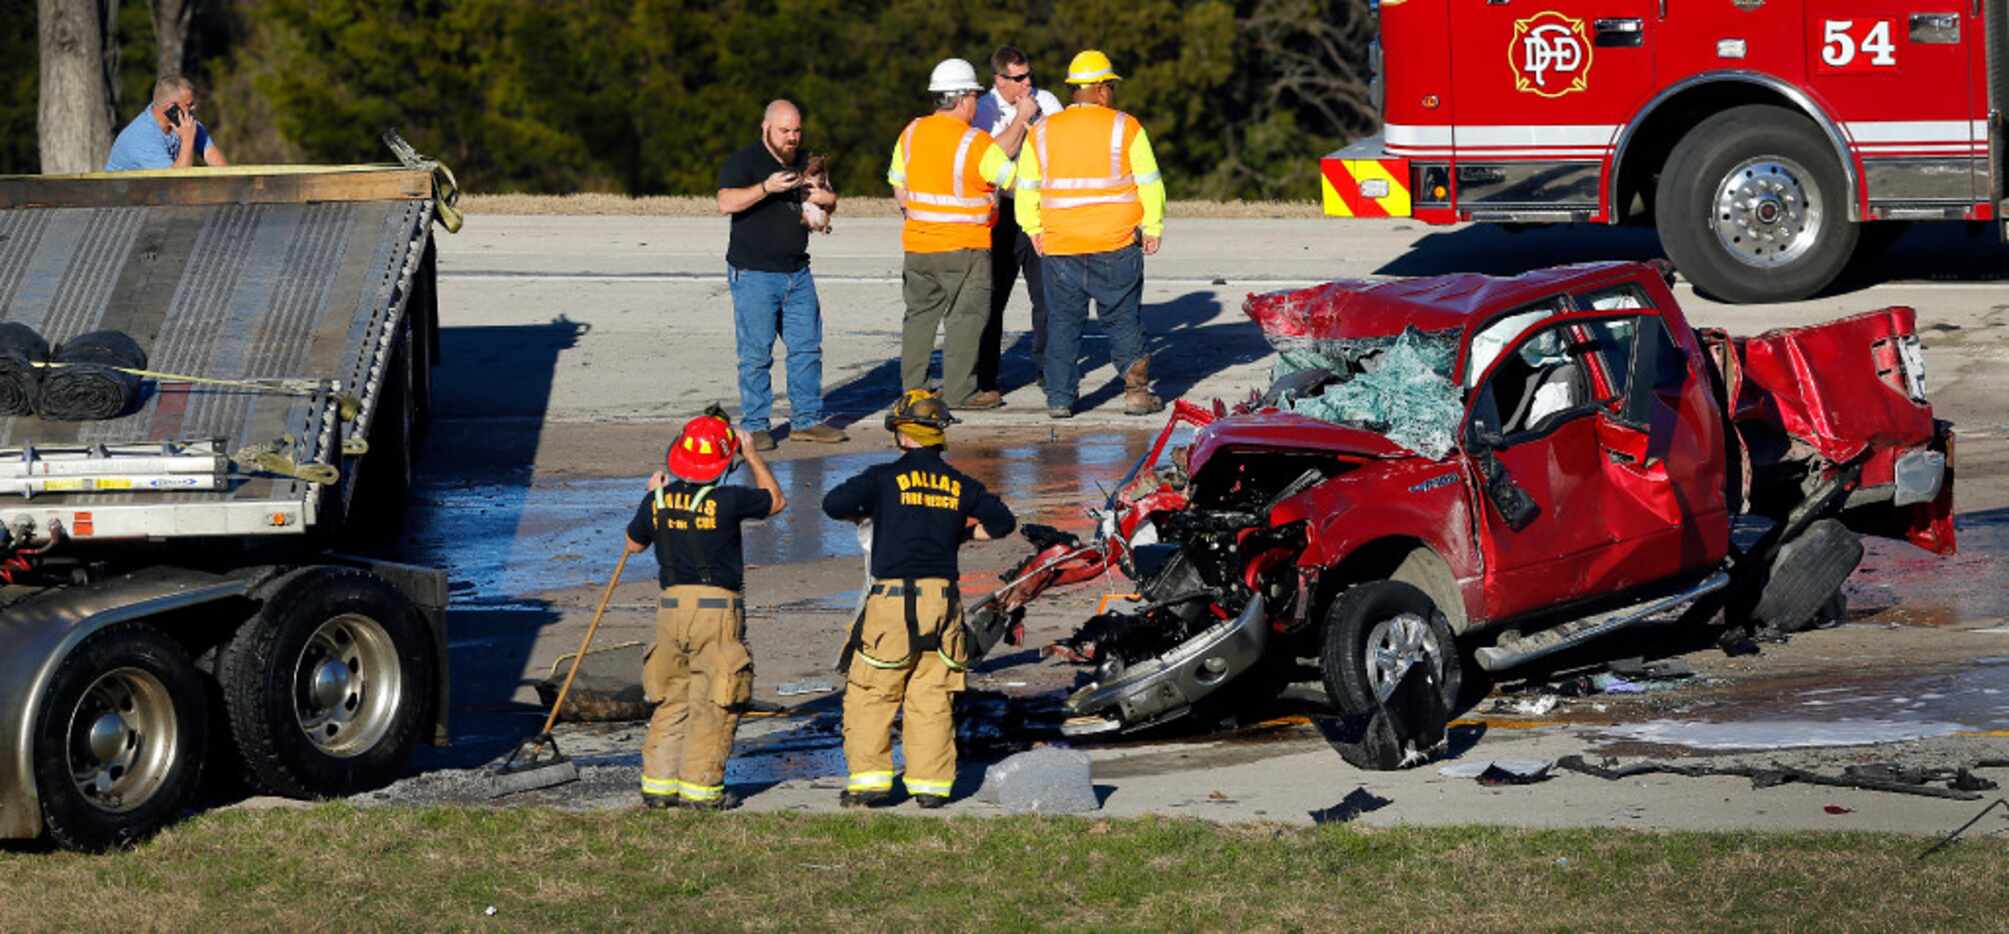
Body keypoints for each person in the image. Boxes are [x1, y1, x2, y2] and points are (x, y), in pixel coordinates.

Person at [822, 389, 1015, 808]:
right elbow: (1002, 522)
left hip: (892, 600)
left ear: (903, 436)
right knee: (932, 694)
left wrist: (870, 512)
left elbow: (832, 503)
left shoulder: (882, 479)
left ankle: (871, 784)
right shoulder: (959, 483)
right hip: (942, 601)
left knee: (873, 691)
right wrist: (961, 532)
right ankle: (930, 787)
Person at [625, 409, 786, 810]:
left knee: (671, 697)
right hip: (716, 608)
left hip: (670, 609)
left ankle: (659, 787)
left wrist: (651, 497)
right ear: (723, 461)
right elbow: (775, 501)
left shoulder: (657, 499)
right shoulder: (728, 499)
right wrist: (751, 455)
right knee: (716, 697)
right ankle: (701, 789)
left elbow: (634, 545)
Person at [1014, 50, 1168, 419]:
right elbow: (1150, 182)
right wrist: (1153, 227)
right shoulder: (1125, 127)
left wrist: (1033, 228)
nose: (1112, 92)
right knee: (1122, 318)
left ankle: (1060, 399)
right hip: (1114, 242)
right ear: (1100, 89)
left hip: (1061, 244)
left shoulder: (1043, 131)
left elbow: (1027, 186)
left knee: (1064, 323)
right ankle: (1135, 394)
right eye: (1111, 86)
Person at [717, 100, 847, 451]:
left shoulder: (808, 160)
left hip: (797, 272)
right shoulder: (744, 161)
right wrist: (766, 188)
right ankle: (756, 425)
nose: (792, 137)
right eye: (784, 130)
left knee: (807, 349)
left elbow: (827, 207)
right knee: (756, 353)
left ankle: (805, 421)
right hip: (754, 273)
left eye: (796, 130)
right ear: (766, 128)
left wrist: (826, 199)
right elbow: (725, 202)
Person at [887, 59, 1017, 411]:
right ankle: (961, 392)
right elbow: (1015, 181)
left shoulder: (911, 132)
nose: (976, 103)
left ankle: (914, 391)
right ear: (960, 100)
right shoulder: (976, 143)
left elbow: (898, 182)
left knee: (919, 318)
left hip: (918, 244)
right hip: (965, 247)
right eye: (974, 96)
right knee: (966, 318)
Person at [971, 46, 1063, 399]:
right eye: (1018, 77)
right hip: (1001, 212)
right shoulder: (983, 109)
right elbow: (987, 157)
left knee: (1046, 297)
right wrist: (1020, 121)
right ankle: (986, 377)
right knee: (992, 297)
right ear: (999, 79)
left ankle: (1047, 370)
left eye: (1029, 75)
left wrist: (1035, 122)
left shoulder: (1048, 101)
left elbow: (1059, 149)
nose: (1027, 83)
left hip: (1040, 209)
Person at [104, 75, 229, 171]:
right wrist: (188, 139)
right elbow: (176, 182)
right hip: (119, 200)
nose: (194, 108)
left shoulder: (186, 124)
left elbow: (215, 160)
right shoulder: (141, 137)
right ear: (171, 109)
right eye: (189, 105)